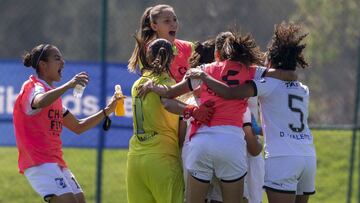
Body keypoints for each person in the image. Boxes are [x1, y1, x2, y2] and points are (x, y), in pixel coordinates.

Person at [186, 22, 316, 203]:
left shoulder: (266, 85)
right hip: (308, 155)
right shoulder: (303, 89)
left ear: (270, 61)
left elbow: (231, 92)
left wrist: (206, 77)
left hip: (282, 157)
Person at [13, 44, 122, 203]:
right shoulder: (33, 86)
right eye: (57, 58)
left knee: (79, 200)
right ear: (43, 65)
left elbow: (78, 126)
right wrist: (69, 85)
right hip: (38, 161)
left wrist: (108, 110)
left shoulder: (53, 97)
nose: (62, 62)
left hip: (55, 162)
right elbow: (39, 101)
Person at [126, 38, 214, 203]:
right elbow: (167, 103)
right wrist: (193, 111)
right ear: (172, 59)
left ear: (148, 57)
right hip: (162, 158)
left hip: (135, 160)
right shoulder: (167, 84)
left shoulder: (137, 83)